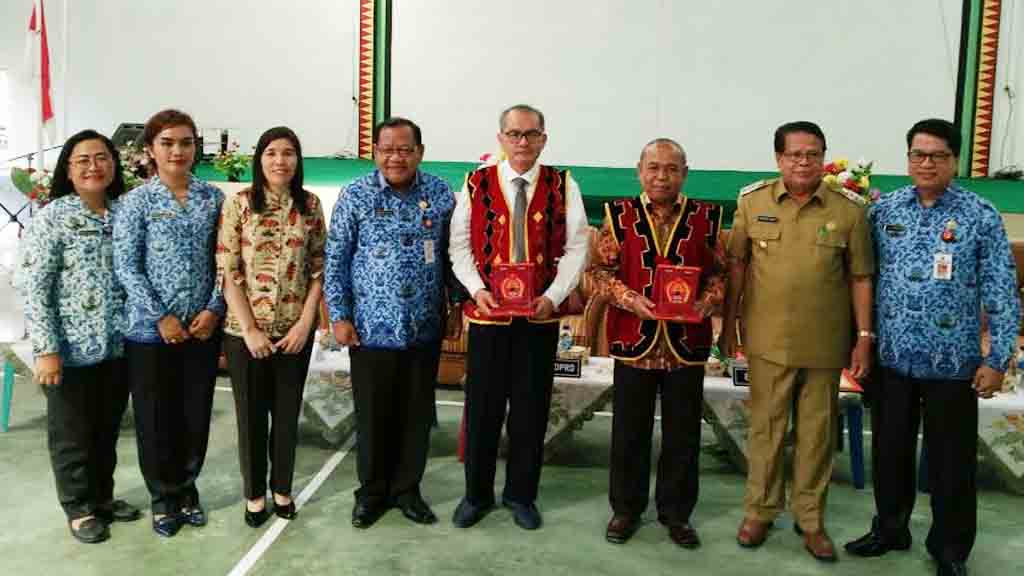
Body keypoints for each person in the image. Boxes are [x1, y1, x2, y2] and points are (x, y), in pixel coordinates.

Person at [844, 119, 1019, 576]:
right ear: (907, 159)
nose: (926, 163)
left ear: (955, 160)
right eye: (918, 155)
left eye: (937, 155)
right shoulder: (883, 212)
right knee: (890, 451)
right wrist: (858, 343)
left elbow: (1001, 291)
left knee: (951, 464)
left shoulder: (980, 214)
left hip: (954, 364)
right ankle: (890, 528)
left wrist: (997, 358)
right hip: (893, 361)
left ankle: (951, 549)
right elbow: (862, 280)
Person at [719, 121, 875, 561]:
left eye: (812, 154)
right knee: (766, 429)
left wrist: (864, 337)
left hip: (825, 343)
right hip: (768, 341)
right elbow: (736, 267)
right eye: (794, 155)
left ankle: (811, 520)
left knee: (817, 433)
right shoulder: (753, 203)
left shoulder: (849, 209)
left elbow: (861, 277)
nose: (803, 162)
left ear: (824, 157)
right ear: (778, 159)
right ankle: (759, 512)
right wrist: (729, 323)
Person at [449, 104, 590, 530]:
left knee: (530, 411)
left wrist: (553, 295)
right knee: (482, 410)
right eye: (514, 134)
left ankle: (521, 496)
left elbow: (577, 247)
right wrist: (478, 291)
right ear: (501, 139)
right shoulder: (475, 183)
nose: (522, 142)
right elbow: (459, 246)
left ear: (544, 138)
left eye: (531, 134)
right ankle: (476, 496)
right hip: (490, 318)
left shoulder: (562, 184)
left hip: (539, 319)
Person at [587, 138, 724, 548]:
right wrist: (629, 298)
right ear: (639, 170)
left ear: (685, 172)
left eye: (671, 168)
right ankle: (625, 510)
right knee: (629, 433)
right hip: (634, 339)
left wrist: (706, 302)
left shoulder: (708, 217)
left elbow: (720, 275)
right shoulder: (617, 215)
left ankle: (677, 514)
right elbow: (598, 273)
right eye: (653, 167)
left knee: (683, 435)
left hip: (687, 343)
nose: (661, 176)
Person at [325, 117, 456, 529]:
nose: (395, 157)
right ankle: (371, 493)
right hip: (369, 328)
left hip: (423, 326)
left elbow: (453, 257)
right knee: (373, 415)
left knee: (416, 415)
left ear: (419, 152)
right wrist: (340, 316)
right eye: (387, 149)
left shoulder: (439, 194)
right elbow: (335, 260)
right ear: (375, 152)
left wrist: (455, 306)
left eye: (404, 149)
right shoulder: (355, 195)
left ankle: (407, 490)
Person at [23, 129, 141, 543]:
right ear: (68, 171)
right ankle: (78, 508)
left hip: (118, 345)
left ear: (114, 164)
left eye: (102, 158)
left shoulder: (124, 212)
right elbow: (35, 287)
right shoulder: (52, 217)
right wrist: (47, 350)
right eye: (83, 160)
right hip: (70, 350)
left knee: (106, 430)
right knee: (72, 434)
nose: (94, 166)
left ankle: (102, 498)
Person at [113, 109, 225, 538]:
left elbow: (224, 260)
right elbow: (127, 266)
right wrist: (160, 316)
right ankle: (162, 497)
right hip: (149, 331)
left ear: (196, 148)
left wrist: (214, 309)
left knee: (195, 413)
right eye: (167, 143)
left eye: (185, 142)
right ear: (150, 151)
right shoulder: (136, 202)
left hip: (200, 329)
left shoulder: (213, 198)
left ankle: (187, 489)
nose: (177, 151)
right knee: (156, 417)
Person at [217, 127, 326, 528]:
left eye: (289, 153)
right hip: (245, 333)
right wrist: (249, 330)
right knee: (250, 418)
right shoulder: (240, 205)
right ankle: (254, 494)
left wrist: (304, 324)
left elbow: (318, 269)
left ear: (298, 160)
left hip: (293, 332)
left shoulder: (310, 205)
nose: (280, 161)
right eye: (271, 153)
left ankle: (282, 488)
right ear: (259, 159)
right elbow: (228, 270)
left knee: (285, 416)